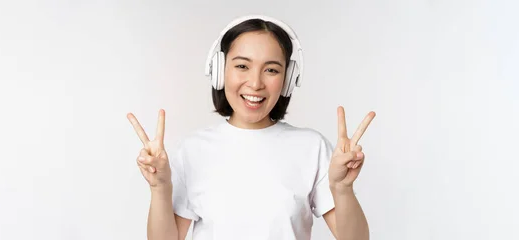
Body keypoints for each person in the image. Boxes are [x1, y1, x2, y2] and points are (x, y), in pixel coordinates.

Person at [127, 15, 375, 240]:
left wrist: (342, 189)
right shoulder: (193, 150)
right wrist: (160, 188)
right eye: (242, 66)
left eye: (271, 70)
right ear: (219, 72)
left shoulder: (312, 147)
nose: (255, 83)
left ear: (288, 80)